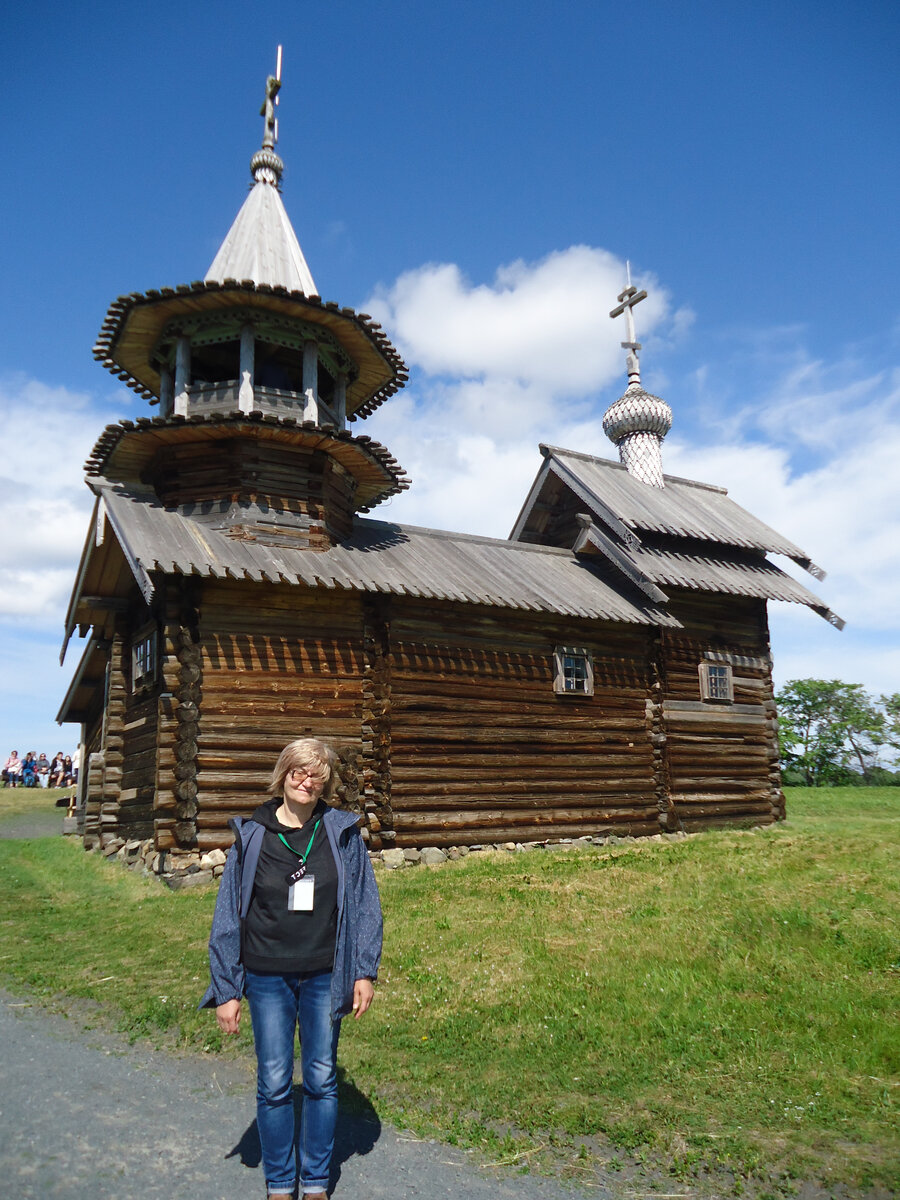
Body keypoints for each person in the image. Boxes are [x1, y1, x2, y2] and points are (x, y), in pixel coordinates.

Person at [201, 737, 382, 1200]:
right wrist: (226, 989)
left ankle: (316, 1181)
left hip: (325, 972)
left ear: (327, 783)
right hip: (266, 977)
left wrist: (363, 970)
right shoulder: (253, 835)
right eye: (299, 771)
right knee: (275, 1080)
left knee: (321, 1078)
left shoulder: (341, 833)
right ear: (282, 776)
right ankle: (281, 1184)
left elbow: (364, 906)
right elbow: (228, 916)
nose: (307, 780)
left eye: (318, 774)